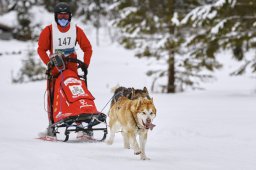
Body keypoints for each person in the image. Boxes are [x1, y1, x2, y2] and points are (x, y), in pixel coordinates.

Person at [37, 2, 92, 139]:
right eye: (60, 16)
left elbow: (88, 48)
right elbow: (41, 49)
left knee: (75, 92)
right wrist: (49, 63)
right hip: (55, 67)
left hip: (72, 66)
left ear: (70, 17)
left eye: (66, 16)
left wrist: (85, 64)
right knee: (53, 94)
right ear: (56, 17)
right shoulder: (49, 30)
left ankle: (80, 125)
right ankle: (52, 124)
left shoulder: (76, 30)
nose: (63, 18)